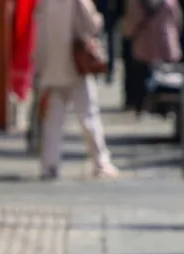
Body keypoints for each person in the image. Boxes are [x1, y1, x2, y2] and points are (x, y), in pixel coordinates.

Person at [33, 0, 120, 179]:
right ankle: (100, 161)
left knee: (54, 119)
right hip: (76, 63)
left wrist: (40, 65)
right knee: (88, 114)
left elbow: (39, 34)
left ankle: (49, 165)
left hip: (53, 65)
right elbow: (92, 23)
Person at [122, 0, 184, 115]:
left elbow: (130, 24)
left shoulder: (136, 3)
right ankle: (166, 107)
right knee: (169, 79)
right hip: (166, 44)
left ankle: (141, 105)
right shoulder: (170, 1)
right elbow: (178, 20)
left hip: (144, 44)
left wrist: (128, 35)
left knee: (141, 77)